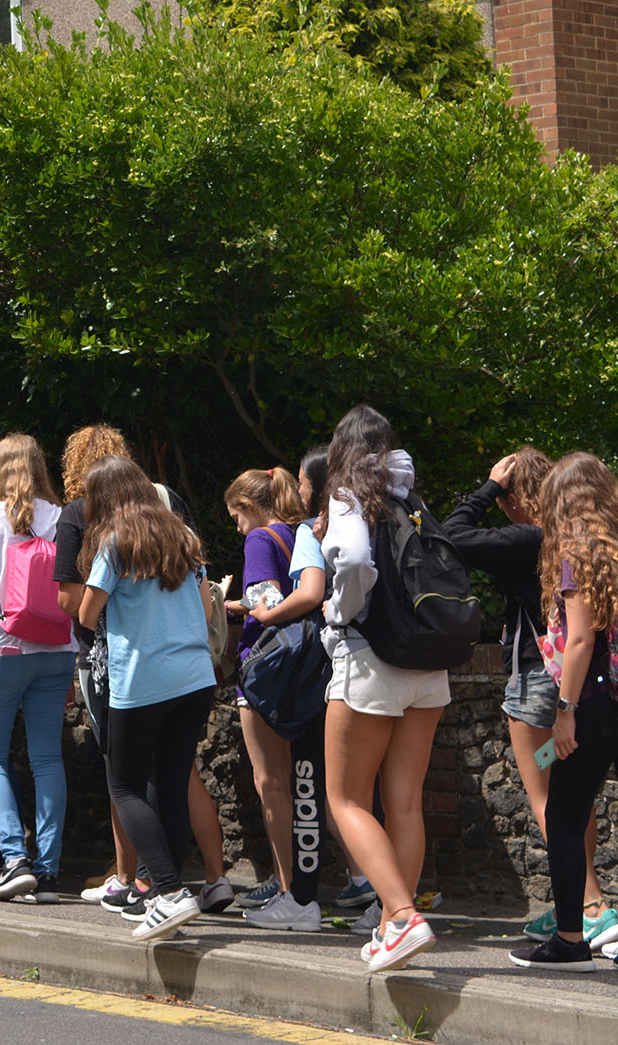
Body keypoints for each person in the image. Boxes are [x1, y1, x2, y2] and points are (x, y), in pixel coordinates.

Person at [51, 425, 225, 912]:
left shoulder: (113, 543)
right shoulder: (184, 537)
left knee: (125, 785)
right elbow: (206, 610)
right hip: (195, 677)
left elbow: (86, 614)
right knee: (171, 784)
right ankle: (171, 890)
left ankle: (166, 890)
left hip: (142, 678)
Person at [447, 447, 613, 947]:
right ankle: (577, 904)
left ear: (518, 497)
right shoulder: (599, 542)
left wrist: (489, 488)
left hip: (541, 682)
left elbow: (451, 536)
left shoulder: (532, 539)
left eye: (506, 501)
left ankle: (589, 907)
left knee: (550, 802)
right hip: (585, 686)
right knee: (576, 799)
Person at [321, 404, 446, 972]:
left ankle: (400, 916)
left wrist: (339, 611)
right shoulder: (409, 496)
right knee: (405, 803)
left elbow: (352, 559)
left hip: (371, 660)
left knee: (345, 798)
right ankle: (393, 925)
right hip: (427, 663)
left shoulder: (348, 494)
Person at [244, 445, 371, 932]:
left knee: (308, 786)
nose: (298, 490)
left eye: (303, 481)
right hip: (376, 665)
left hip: (322, 672)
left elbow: (312, 593)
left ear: (317, 485)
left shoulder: (310, 531)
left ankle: (302, 899)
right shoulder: (368, 518)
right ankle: (381, 896)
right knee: (360, 791)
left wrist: (266, 614)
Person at [0, 433, 72, 903]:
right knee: (47, 759)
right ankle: (49, 873)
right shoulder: (61, 518)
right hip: (57, 649)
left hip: (2, 651)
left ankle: (15, 858)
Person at [512, 452, 618, 970]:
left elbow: (579, 640)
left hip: (594, 704)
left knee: (564, 816)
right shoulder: (614, 550)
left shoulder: (577, 554)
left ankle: (571, 939)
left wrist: (565, 712)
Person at [223, 466, 313, 915]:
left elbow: (267, 601)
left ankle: (286, 886)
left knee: (271, 782)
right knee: (311, 783)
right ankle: (352, 880)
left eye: (236, 517)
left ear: (249, 507)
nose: (238, 528)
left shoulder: (260, 538)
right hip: (306, 668)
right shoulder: (301, 533)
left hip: (266, 667)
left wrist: (229, 604)